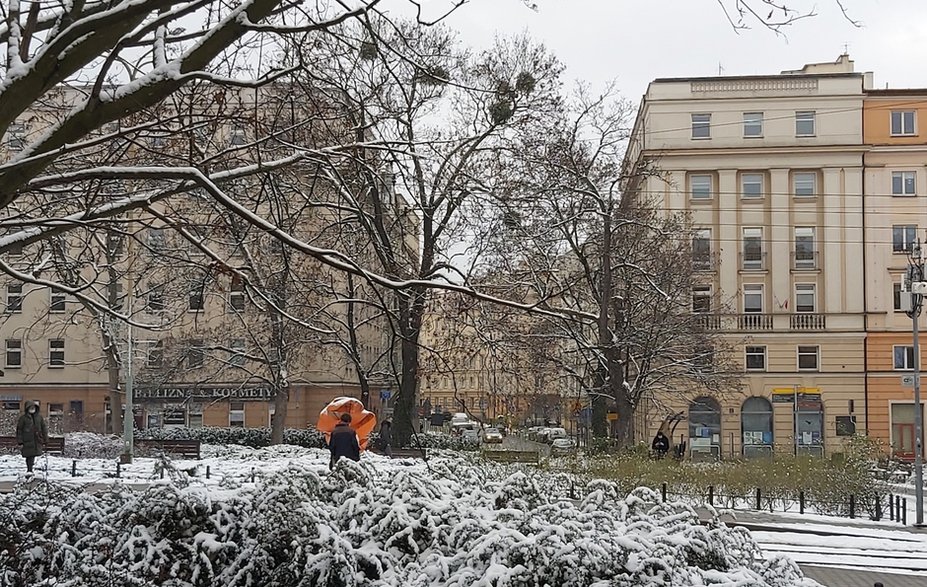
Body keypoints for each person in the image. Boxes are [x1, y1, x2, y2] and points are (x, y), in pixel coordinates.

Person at [15, 400, 47, 475]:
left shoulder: (39, 418)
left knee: (33, 455)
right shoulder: (23, 418)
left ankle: (31, 469)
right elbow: (19, 430)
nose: (32, 409)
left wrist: (45, 439)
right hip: (27, 440)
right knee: (29, 455)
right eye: (31, 407)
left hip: (36, 440)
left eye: (33, 407)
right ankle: (29, 469)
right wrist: (20, 440)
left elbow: (43, 428)